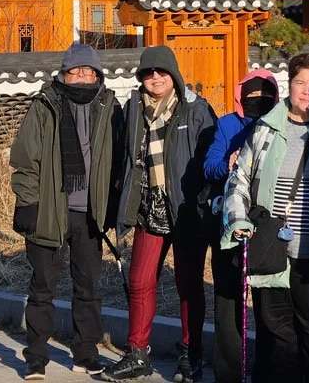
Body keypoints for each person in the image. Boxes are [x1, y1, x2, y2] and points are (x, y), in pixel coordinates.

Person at [222, 52, 309, 383]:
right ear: (288, 85)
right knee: (278, 342)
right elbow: (238, 181)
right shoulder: (264, 129)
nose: (307, 91)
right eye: (300, 82)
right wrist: (237, 221)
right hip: (271, 252)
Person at [10, 42, 124, 381]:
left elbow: (118, 160)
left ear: (97, 74)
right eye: (75, 71)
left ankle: (86, 353)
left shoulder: (108, 107)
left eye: (89, 71)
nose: (82, 77)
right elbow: (25, 160)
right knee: (42, 286)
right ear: (64, 74)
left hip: (90, 214)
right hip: (50, 209)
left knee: (88, 287)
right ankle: (36, 357)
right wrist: (27, 203)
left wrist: (114, 205)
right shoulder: (45, 106)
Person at [102, 45, 215, 383]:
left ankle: (190, 352)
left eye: (161, 72)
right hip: (148, 205)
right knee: (139, 279)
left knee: (188, 283)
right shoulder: (133, 109)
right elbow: (121, 157)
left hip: (185, 207)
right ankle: (137, 352)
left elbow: (211, 159)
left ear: (174, 76)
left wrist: (206, 203)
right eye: (148, 73)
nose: (155, 78)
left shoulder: (195, 110)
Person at [204, 69, 279, 383]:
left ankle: (267, 370)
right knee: (228, 297)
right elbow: (209, 167)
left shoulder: (280, 125)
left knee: (268, 301)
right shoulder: (225, 125)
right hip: (228, 221)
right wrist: (229, 164)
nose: (256, 100)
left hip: (268, 223)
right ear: (240, 95)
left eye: (264, 95)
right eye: (250, 94)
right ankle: (229, 372)